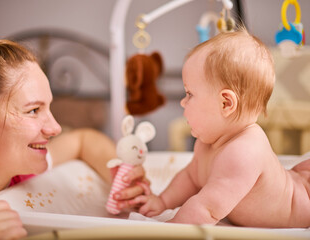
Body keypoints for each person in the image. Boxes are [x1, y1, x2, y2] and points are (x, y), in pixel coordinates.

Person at [0, 37, 146, 239]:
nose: (56, 128)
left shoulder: (22, 168)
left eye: (48, 108)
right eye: (33, 110)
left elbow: (83, 139)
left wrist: (123, 177)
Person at [132, 27, 310, 228]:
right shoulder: (207, 143)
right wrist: (163, 201)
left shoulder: (244, 151)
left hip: (302, 203)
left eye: (189, 94)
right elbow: (190, 177)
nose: (183, 102)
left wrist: (170, 228)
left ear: (226, 104)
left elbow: (207, 209)